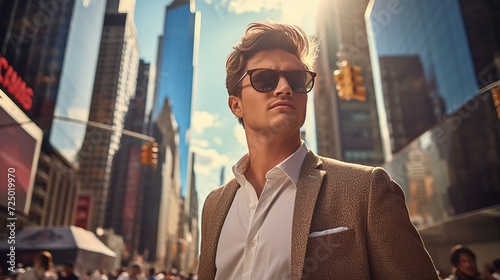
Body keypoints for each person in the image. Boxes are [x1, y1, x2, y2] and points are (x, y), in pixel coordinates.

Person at [197, 21, 439, 280]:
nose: (284, 88)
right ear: (236, 105)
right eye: (264, 80)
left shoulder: (367, 189)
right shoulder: (214, 205)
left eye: (297, 79)